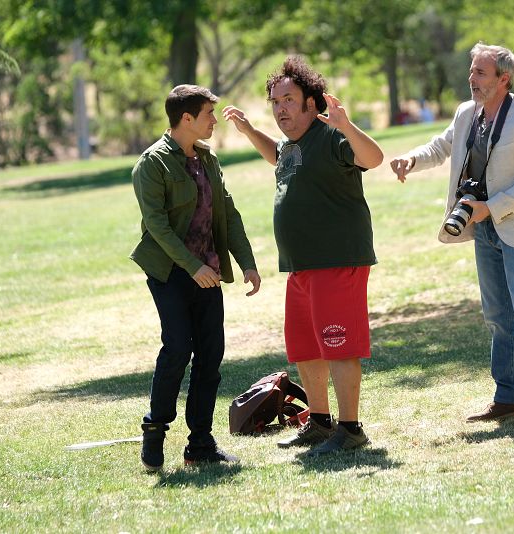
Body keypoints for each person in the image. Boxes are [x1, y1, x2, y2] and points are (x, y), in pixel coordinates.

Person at [390, 43, 514, 426]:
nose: (471, 79)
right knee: (497, 315)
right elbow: (442, 146)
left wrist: (492, 207)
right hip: (482, 228)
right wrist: (411, 159)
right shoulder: (466, 113)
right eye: (471, 70)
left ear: (503, 79)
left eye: (480, 72)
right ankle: (509, 398)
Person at [223, 56, 383, 455]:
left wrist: (346, 125)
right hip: (301, 268)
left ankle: (351, 429)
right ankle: (319, 422)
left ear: (312, 103)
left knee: (339, 345)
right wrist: (248, 131)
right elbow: (277, 155)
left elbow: (373, 159)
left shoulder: (330, 136)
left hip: (336, 262)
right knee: (306, 349)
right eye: (276, 102)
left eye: (289, 100)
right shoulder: (293, 145)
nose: (281, 109)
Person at [130, 84, 261, 471]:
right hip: (171, 272)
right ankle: (154, 431)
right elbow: (157, 227)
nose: (214, 121)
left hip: (208, 273)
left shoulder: (208, 159)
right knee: (176, 349)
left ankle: (200, 444)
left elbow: (228, 213)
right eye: (208, 114)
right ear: (186, 118)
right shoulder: (151, 164)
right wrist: (193, 266)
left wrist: (246, 262)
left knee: (210, 356)